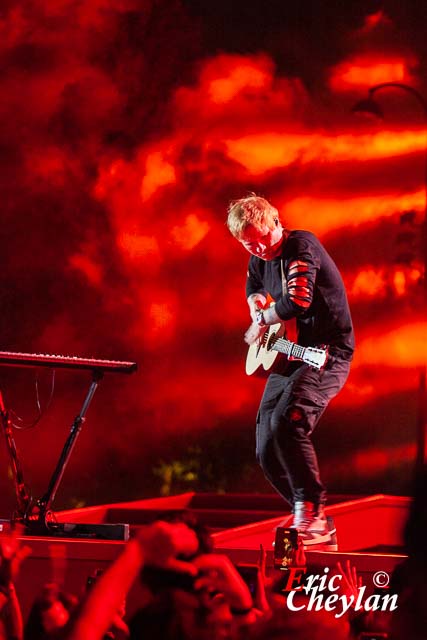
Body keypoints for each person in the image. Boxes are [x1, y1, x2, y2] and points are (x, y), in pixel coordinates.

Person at [227, 194, 354, 546]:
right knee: (266, 447)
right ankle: (312, 517)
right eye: (248, 244)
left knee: (288, 420)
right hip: (291, 354)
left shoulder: (301, 245)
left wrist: (262, 322)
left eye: (263, 238)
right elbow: (255, 282)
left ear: (276, 221)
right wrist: (255, 304)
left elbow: (298, 299)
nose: (260, 248)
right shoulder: (258, 257)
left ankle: (310, 510)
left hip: (326, 352)